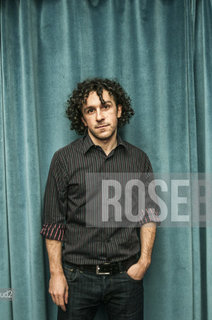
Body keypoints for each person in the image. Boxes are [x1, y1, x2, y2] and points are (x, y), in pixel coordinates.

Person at [41, 78, 159, 320]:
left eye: (105, 107)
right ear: (83, 119)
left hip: (126, 277)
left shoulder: (138, 159)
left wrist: (144, 262)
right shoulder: (64, 160)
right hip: (77, 279)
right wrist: (56, 274)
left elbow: (149, 213)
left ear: (118, 110)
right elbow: (54, 223)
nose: (99, 116)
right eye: (90, 110)